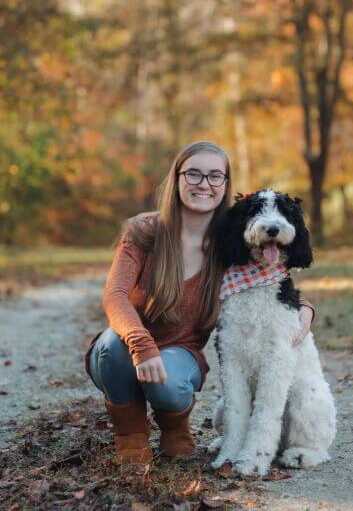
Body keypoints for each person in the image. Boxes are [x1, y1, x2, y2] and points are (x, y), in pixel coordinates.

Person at [84, 141, 315, 465]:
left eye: (214, 176)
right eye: (193, 173)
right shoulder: (144, 230)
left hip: (181, 352)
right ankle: (131, 436)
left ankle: (173, 427)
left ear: (225, 184)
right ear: (176, 178)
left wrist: (306, 307)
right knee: (110, 346)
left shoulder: (229, 240)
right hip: (128, 345)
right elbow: (115, 295)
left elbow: (268, 282)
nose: (203, 183)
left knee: (170, 385)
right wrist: (142, 345)